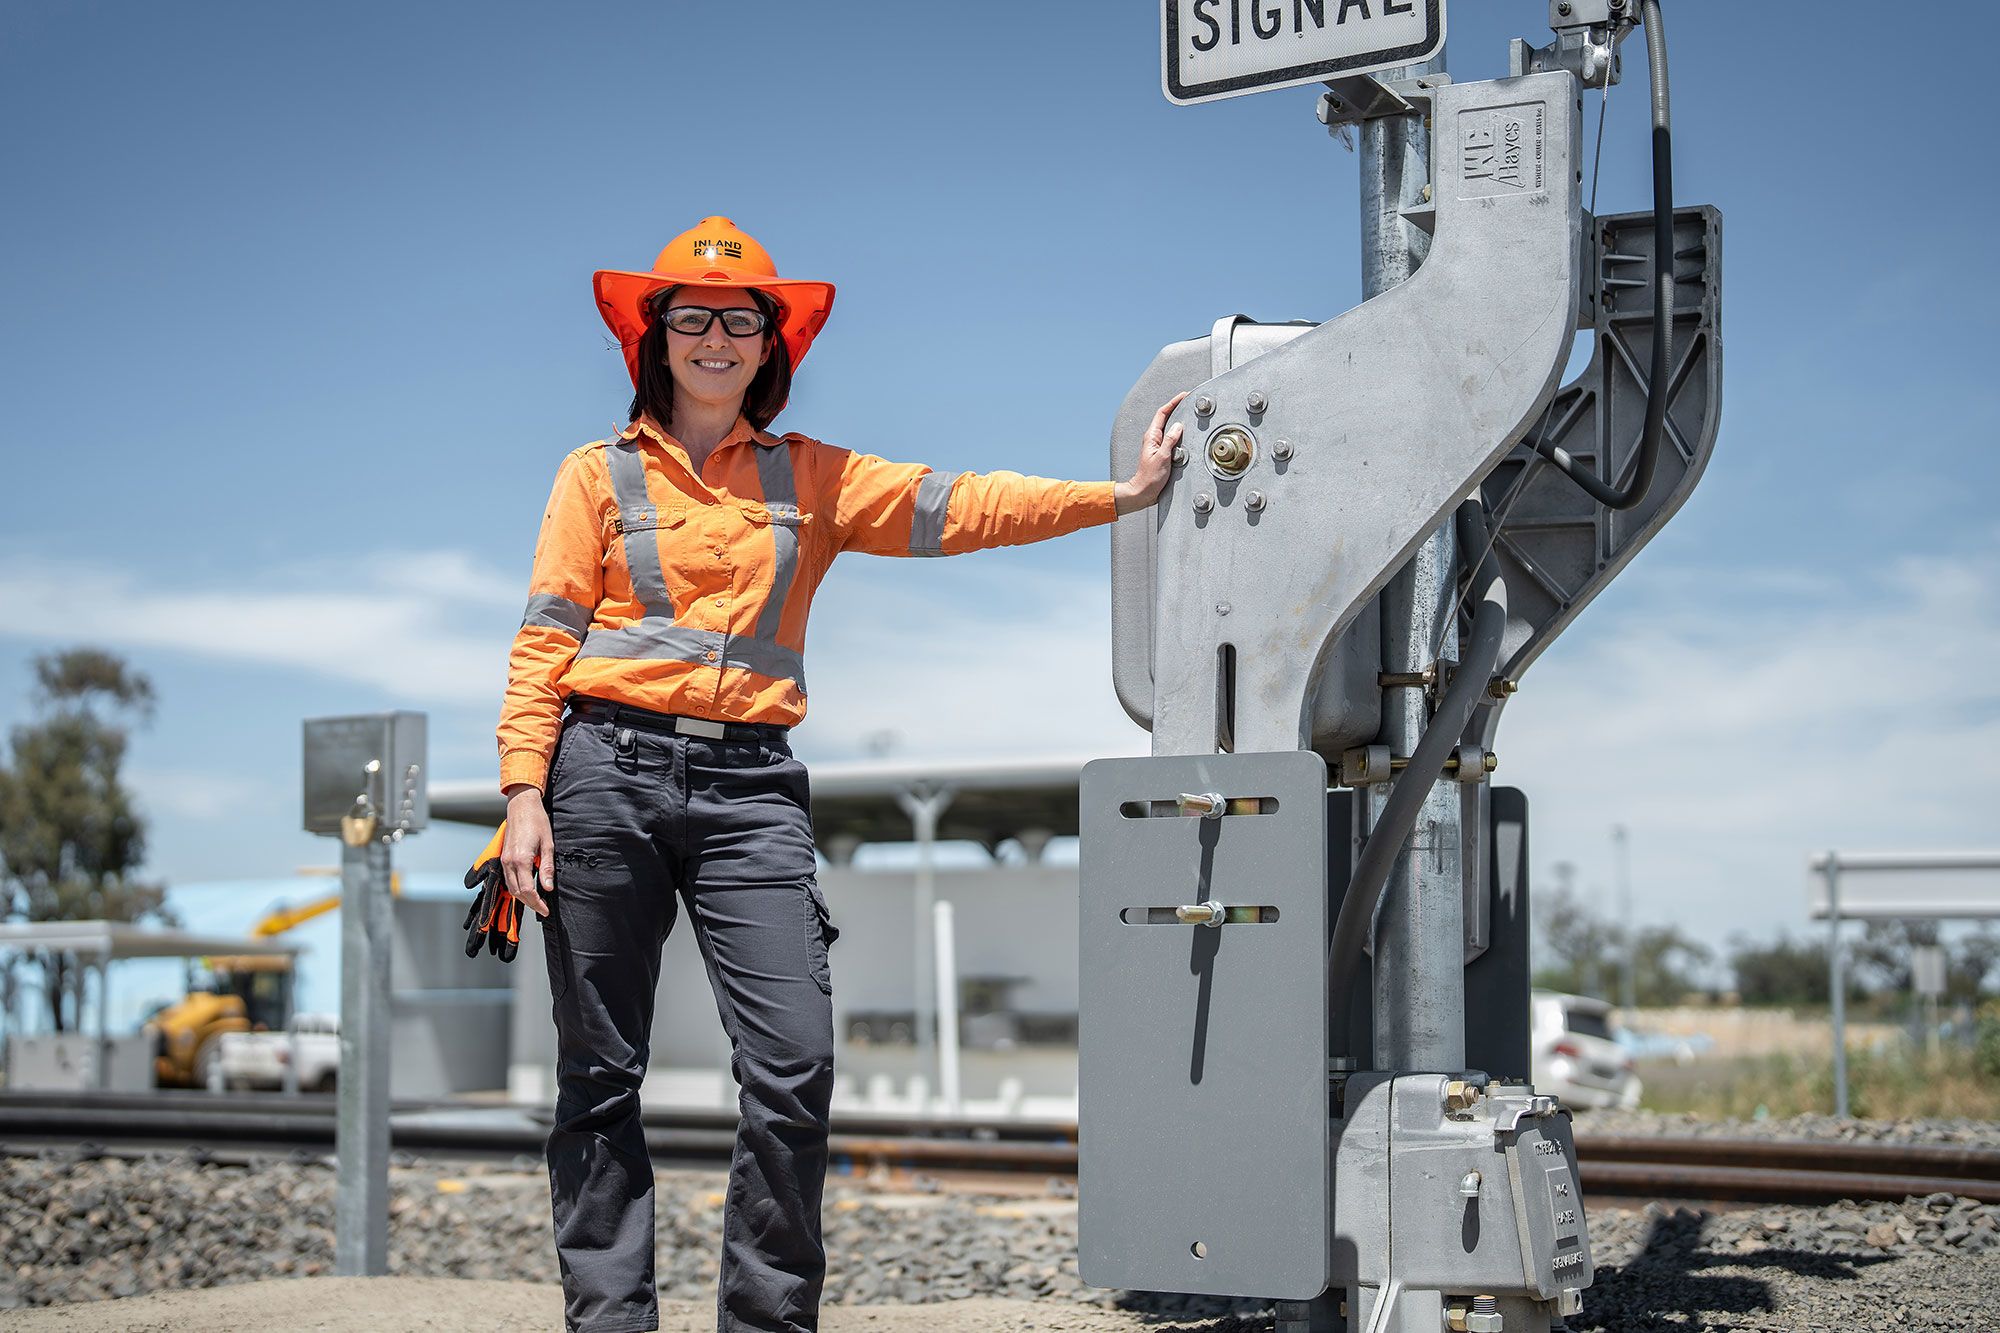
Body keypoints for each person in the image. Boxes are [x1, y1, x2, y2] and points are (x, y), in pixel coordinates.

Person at [495, 216, 1185, 1333]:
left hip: (750, 793)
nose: (715, 337)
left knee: (793, 1062)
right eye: (692, 316)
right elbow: (544, 640)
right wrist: (524, 791)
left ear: (769, 345)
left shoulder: (812, 477)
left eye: (740, 320)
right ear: (655, 335)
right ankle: (610, 1320)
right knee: (600, 1075)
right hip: (602, 776)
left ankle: (766, 1321)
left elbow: (964, 505)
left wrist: (1121, 493)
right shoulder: (595, 476)